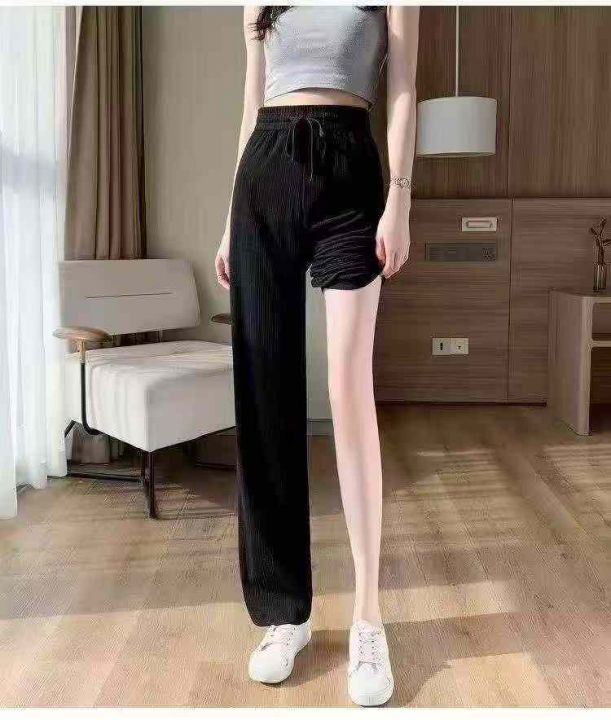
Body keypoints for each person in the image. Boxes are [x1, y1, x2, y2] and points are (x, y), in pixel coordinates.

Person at [216, 5, 419, 707]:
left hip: (350, 171)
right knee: (265, 395)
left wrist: (399, 199)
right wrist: (228, 221)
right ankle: (285, 613)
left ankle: (368, 618)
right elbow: (252, 104)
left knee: (347, 390)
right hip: (264, 171)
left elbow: (402, 87)